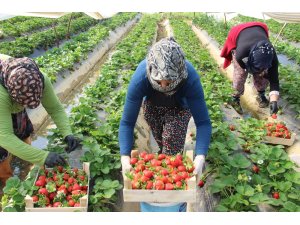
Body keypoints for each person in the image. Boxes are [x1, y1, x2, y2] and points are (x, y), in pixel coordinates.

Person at [119, 37, 212, 212]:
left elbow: (204, 123)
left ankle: (171, 186)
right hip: (152, 105)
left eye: (169, 83)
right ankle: (165, 157)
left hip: (180, 107)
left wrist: (200, 157)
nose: (163, 86)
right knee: (160, 137)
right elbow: (126, 122)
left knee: (171, 138)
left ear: (180, 74)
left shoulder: (190, 78)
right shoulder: (141, 77)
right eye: (158, 81)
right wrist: (124, 157)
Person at [0, 54, 80, 186]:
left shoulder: (37, 79)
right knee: (2, 155)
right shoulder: (2, 94)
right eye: (23, 103)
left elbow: (55, 108)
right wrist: (43, 156)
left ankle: (28, 169)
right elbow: (4, 136)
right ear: (12, 94)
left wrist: (67, 133)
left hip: (14, 99)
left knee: (23, 132)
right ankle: (7, 182)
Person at [220, 21, 280, 115]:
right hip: (239, 34)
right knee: (240, 74)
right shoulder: (241, 54)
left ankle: (261, 94)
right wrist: (252, 70)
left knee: (264, 75)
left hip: (258, 32)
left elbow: (274, 80)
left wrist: (274, 101)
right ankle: (235, 98)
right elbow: (244, 68)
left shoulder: (272, 57)